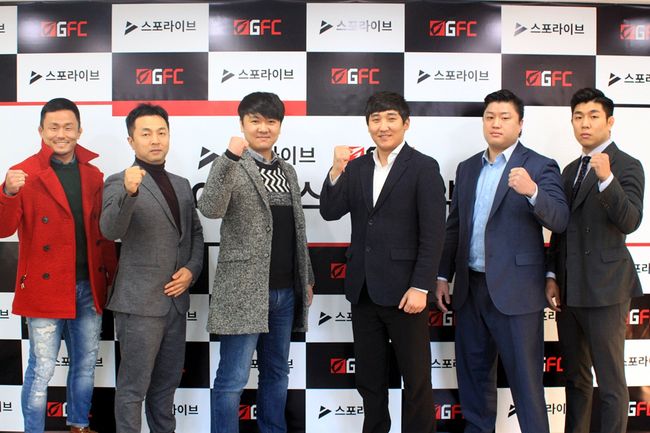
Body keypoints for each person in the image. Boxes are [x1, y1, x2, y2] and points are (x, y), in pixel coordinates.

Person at [435, 89, 569, 433]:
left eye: (505, 117)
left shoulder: (539, 165)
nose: (496, 123)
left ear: (520, 124)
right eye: (490, 117)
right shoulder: (467, 168)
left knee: (527, 386)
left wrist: (533, 191)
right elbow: (454, 226)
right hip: (470, 290)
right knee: (473, 382)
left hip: (517, 293)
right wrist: (442, 275)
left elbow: (560, 220)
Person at [320, 91, 446, 433]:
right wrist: (336, 170)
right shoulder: (358, 167)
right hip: (363, 291)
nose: (383, 126)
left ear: (406, 123)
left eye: (391, 118)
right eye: (375, 119)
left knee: (416, 381)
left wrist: (420, 286)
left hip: (407, 294)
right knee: (370, 380)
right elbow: (330, 211)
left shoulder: (423, 167)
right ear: (368, 125)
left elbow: (434, 233)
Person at [198, 91, 314, 433]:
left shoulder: (288, 170)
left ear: (279, 126)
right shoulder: (231, 164)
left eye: (271, 121)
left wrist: (305, 276)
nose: (264, 128)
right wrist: (229, 157)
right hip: (243, 292)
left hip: (285, 293)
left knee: (276, 373)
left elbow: (297, 229)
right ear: (242, 124)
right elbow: (210, 209)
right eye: (255, 121)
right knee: (232, 378)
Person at [0, 98, 116, 433]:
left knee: (85, 365)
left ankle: (78, 425)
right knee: (41, 369)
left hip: (87, 285)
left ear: (79, 131)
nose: (61, 134)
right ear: (41, 130)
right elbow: (4, 228)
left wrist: (111, 277)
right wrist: (7, 193)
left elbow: (102, 234)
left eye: (68, 127)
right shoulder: (23, 173)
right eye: (53, 127)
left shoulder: (93, 175)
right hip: (45, 288)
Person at [100, 103, 204, 433]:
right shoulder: (118, 181)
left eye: (161, 132)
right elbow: (110, 229)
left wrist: (191, 270)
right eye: (146, 134)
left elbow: (195, 234)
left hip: (175, 303)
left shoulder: (182, 184)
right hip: (139, 304)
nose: (155, 140)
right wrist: (129, 192)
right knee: (133, 389)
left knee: (165, 388)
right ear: (131, 141)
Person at [546, 88, 644, 433]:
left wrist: (607, 179)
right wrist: (551, 274)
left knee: (611, 382)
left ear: (610, 121)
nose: (584, 124)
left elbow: (630, 221)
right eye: (578, 117)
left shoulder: (627, 165)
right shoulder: (570, 170)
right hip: (569, 291)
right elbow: (560, 228)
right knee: (576, 379)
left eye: (593, 116)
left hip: (606, 290)